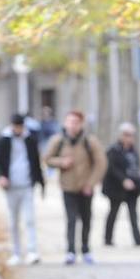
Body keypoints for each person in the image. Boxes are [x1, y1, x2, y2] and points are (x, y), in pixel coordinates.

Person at [43, 110, 107, 265]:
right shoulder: (58, 141)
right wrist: (61, 162)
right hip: (68, 186)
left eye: (76, 122)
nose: (72, 125)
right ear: (65, 123)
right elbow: (47, 159)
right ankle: (70, 250)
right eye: (70, 122)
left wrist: (91, 184)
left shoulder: (89, 141)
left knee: (86, 219)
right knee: (71, 220)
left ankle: (85, 249)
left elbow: (101, 163)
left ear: (81, 124)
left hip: (86, 187)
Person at [0, 112, 45, 266]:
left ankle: (32, 251)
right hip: (11, 186)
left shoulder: (30, 140)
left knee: (29, 219)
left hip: (27, 184)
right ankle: (15, 252)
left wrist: (41, 183)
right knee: (13, 221)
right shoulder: (3, 140)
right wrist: (1, 176)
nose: (18, 129)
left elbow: (36, 162)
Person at [102, 122, 140, 247]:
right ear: (121, 135)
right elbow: (111, 168)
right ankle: (108, 239)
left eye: (132, 135)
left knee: (133, 214)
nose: (129, 138)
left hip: (133, 187)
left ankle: (138, 238)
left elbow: (135, 166)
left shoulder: (133, 151)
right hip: (117, 188)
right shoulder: (113, 150)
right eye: (127, 135)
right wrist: (123, 180)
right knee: (113, 212)